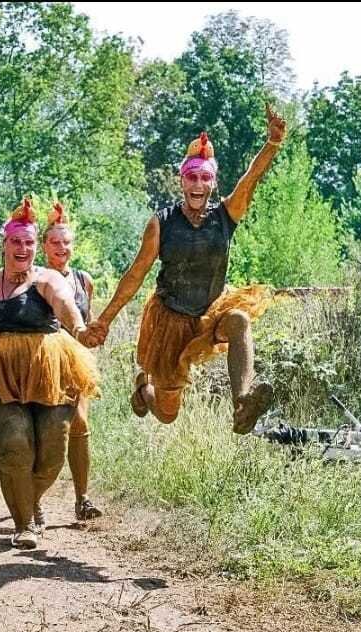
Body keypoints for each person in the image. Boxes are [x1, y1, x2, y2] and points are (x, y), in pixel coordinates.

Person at [84, 104, 288, 434]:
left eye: (205, 177)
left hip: (211, 313)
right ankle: (144, 391)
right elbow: (135, 275)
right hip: (171, 323)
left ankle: (243, 402)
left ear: (213, 182)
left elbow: (251, 179)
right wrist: (103, 322)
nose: (198, 184)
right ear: (182, 180)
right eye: (192, 176)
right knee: (167, 414)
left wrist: (273, 143)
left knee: (240, 320)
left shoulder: (225, 215)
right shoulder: (161, 224)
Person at [0, 198, 98, 549]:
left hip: (49, 370)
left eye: (28, 242)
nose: (22, 248)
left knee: (53, 451)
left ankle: (29, 496)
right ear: (4, 244)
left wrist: (82, 329)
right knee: (15, 446)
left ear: (35, 247)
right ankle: (23, 523)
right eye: (16, 241)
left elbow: (66, 306)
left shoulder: (48, 279)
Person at [41, 202, 102, 522]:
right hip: (45, 361)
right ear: (44, 246)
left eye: (66, 242)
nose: (61, 248)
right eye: (55, 242)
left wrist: (91, 346)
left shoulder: (83, 279)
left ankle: (82, 498)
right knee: (48, 432)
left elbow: (87, 318)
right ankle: (31, 497)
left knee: (80, 424)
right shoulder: (37, 278)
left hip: (76, 361)